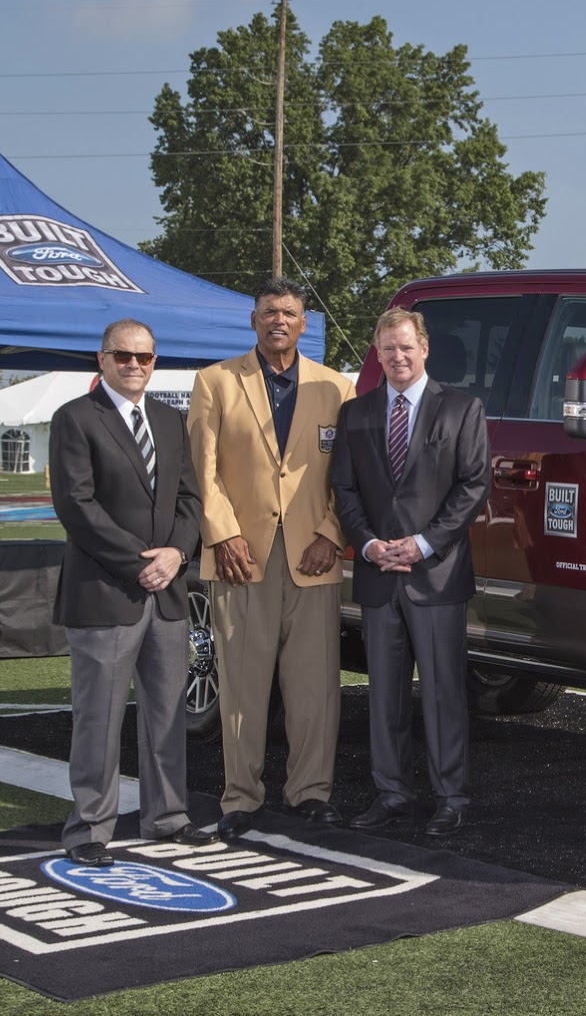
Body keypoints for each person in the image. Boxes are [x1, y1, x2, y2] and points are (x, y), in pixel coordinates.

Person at [188, 277, 355, 840]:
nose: (278, 320)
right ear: (253, 320)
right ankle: (241, 796)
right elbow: (202, 471)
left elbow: (348, 479)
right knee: (242, 684)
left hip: (314, 559)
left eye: (288, 312)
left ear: (304, 324)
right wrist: (223, 535)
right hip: (240, 558)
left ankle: (311, 792)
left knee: (315, 687)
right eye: (267, 312)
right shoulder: (214, 382)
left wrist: (332, 533)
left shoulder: (336, 388)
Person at [49, 319, 212, 865]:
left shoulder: (170, 419)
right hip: (105, 591)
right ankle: (90, 830)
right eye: (123, 355)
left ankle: (167, 818)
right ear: (102, 359)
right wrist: (135, 563)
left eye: (144, 357)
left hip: (167, 592)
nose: (135, 365)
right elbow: (77, 505)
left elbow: (191, 499)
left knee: (166, 713)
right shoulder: (74, 419)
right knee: (99, 716)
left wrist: (176, 556)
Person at [331, 309, 490, 837]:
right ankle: (392, 793)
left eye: (406, 347)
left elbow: (472, 487)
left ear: (424, 348)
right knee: (385, 694)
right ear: (377, 354)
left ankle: (451, 797)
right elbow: (345, 491)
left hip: (437, 575)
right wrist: (372, 544)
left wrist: (421, 545)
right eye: (387, 349)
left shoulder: (462, 410)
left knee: (443, 692)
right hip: (378, 573)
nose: (397, 357)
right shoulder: (356, 414)